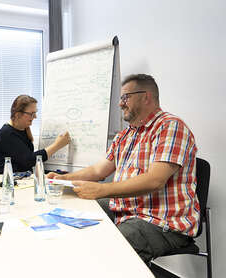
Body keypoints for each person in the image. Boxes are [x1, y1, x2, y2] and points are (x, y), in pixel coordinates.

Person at [47, 74, 199, 264]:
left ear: (146, 97)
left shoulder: (171, 127)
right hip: (127, 210)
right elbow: (98, 171)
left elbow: (155, 180)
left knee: (110, 251)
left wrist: (101, 190)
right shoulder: (125, 135)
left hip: (161, 221)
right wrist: (64, 178)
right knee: (74, 210)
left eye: (125, 97)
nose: (120, 104)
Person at [0, 95, 70, 174]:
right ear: (18, 115)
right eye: (32, 113)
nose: (35, 116)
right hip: (5, 180)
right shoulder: (7, 134)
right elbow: (29, 160)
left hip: (21, 177)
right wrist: (57, 145)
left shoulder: (22, 130)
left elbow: (25, 163)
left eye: (35, 113)